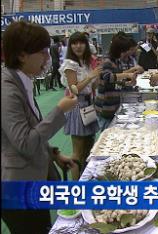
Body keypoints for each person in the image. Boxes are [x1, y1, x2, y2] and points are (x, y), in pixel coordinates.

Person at [1, 21, 77, 234]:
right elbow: (24, 142)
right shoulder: (7, 90)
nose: (47, 58)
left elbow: (31, 129)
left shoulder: (23, 81)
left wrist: (54, 154)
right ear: (22, 55)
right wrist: (59, 110)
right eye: (42, 52)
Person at [59, 32, 102, 180]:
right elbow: (74, 89)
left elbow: (92, 86)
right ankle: (75, 186)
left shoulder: (85, 63)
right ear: (70, 46)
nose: (78, 46)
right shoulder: (70, 64)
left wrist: (97, 77)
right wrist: (91, 76)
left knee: (89, 146)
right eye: (74, 43)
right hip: (77, 106)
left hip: (88, 104)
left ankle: (85, 179)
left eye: (81, 43)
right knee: (78, 151)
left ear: (86, 44)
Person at [95, 34, 137, 131]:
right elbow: (107, 78)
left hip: (114, 105)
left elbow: (115, 81)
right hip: (106, 107)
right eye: (123, 51)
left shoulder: (116, 61)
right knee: (106, 133)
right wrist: (127, 75)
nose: (125, 54)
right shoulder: (107, 61)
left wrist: (127, 83)